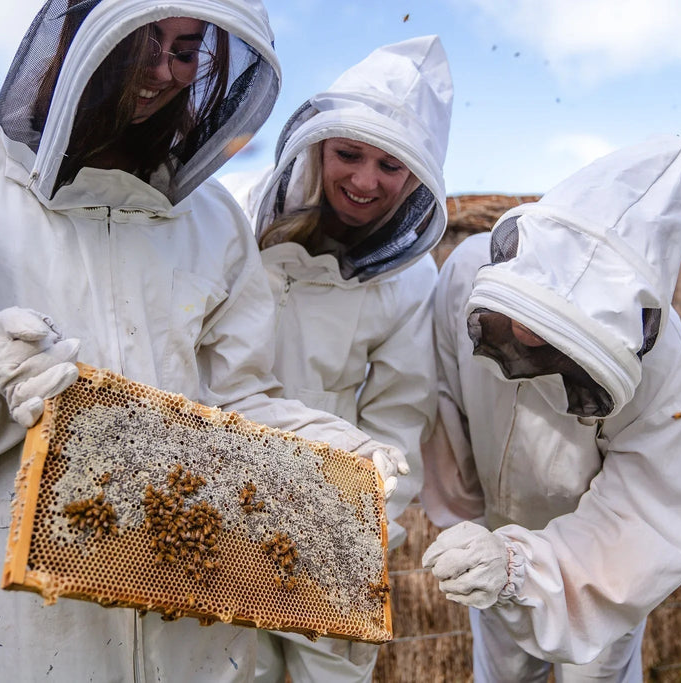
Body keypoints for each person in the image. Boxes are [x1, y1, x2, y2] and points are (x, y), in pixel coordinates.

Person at [0, 0, 407, 680]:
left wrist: (338, 451)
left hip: (188, 620)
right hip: (7, 625)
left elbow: (238, 399)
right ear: (78, 35)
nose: (161, 71)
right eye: (141, 42)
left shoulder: (212, 219)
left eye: (186, 50)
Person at [420, 135, 681, 683]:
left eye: (557, 329)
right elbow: (446, 402)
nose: (526, 334)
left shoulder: (664, 366)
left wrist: (521, 568)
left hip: (598, 564)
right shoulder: (464, 272)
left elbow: (645, 515)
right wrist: (470, 530)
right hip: (493, 533)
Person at [222, 35, 453, 683]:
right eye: (348, 154)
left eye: (391, 166)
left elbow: (398, 416)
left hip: (331, 524)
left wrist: (359, 526)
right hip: (213, 495)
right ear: (316, 145)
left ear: (417, 175)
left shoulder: (412, 278)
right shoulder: (231, 214)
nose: (364, 180)